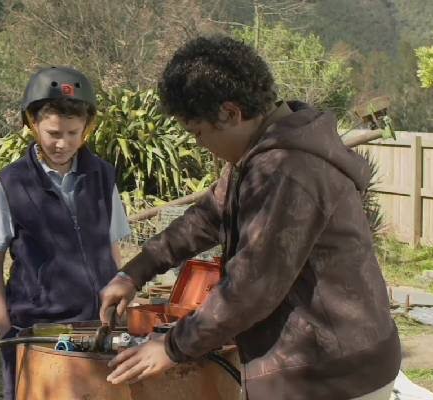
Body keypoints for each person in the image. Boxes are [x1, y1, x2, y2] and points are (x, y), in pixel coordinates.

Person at [99, 36, 401, 400]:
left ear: (230, 113)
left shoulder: (287, 168)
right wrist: (134, 272)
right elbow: (207, 217)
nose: (198, 144)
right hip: (325, 366)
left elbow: (250, 287)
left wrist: (172, 346)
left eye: (198, 132)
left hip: (331, 375)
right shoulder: (261, 152)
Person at [0, 66, 131, 400]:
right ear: (33, 123)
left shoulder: (102, 177)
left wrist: (119, 304)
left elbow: (112, 246)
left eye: (73, 133)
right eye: (53, 133)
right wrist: (5, 330)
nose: (63, 143)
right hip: (37, 331)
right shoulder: (11, 183)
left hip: (97, 326)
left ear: (87, 128)